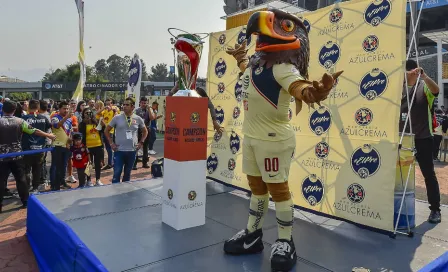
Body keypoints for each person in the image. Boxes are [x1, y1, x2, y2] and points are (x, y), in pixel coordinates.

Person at [399, 59, 441, 224]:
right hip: (403, 138)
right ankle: (398, 206)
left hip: (423, 138)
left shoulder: (424, 87)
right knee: (399, 174)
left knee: (428, 174)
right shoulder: (399, 89)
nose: (408, 75)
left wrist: (424, 76)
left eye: (411, 72)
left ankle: (435, 209)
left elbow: (436, 90)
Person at [0, 100, 55, 212]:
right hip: (17, 155)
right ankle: (25, 201)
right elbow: (34, 131)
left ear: (2, 109)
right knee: (21, 179)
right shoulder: (20, 121)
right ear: (14, 110)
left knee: (1, 180)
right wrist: (48, 135)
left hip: (2, 156)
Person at [105, 97, 147, 183]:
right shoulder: (117, 118)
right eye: (123, 104)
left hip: (132, 151)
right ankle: (114, 194)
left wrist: (141, 143)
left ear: (132, 107)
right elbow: (106, 130)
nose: (124, 106)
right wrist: (111, 143)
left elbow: (145, 131)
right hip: (119, 151)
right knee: (117, 173)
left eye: (127, 105)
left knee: (127, 174)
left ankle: (124, 194)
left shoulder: (138, 118)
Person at [21, 99, 52, 193]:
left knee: (26, 170)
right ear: (38, 107)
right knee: (37, 169)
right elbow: (48, 129)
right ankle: (35, 188)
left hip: (27, 148)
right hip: (40, 149)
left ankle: (26, 189)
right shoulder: (44, 118)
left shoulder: (24, 118)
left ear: (29, 106)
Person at [50, 101, 74, 191]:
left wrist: (70, 141)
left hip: (66, 146)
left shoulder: (69, 120)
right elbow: (57, 126)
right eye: (64, 108)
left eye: (67, 108)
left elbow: (69, 131)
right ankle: (54, 185)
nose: (66, 110)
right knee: (56, 167)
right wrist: (67, 117)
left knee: (63, 166)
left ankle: (62, 182)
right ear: (59, 109)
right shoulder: (55, 117)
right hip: (57, 146)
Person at [79, 107, 104, 186]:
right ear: (83, 114)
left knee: (98, 164)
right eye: (86, 113)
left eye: (90, 113)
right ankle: (89, 180)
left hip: (98, 145)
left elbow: (102, 131)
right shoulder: (82, 124)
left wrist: (103, 125)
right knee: (89, 164)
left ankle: (98, 180)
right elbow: (81, 135)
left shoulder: (96, 122)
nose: (88, 114)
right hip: (88, 147)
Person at [134, 97, 151, 169]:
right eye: (142, 103)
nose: (143, 104)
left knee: (145, 147)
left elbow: (152, 118)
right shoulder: (136, 110)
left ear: (147, 103)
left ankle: (145, 162)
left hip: (147, 130)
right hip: (138, 130)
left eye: (145, 103)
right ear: (140, 103)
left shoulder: (149, 110)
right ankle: (134, 164)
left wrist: (150, 110)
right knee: (136, 147)